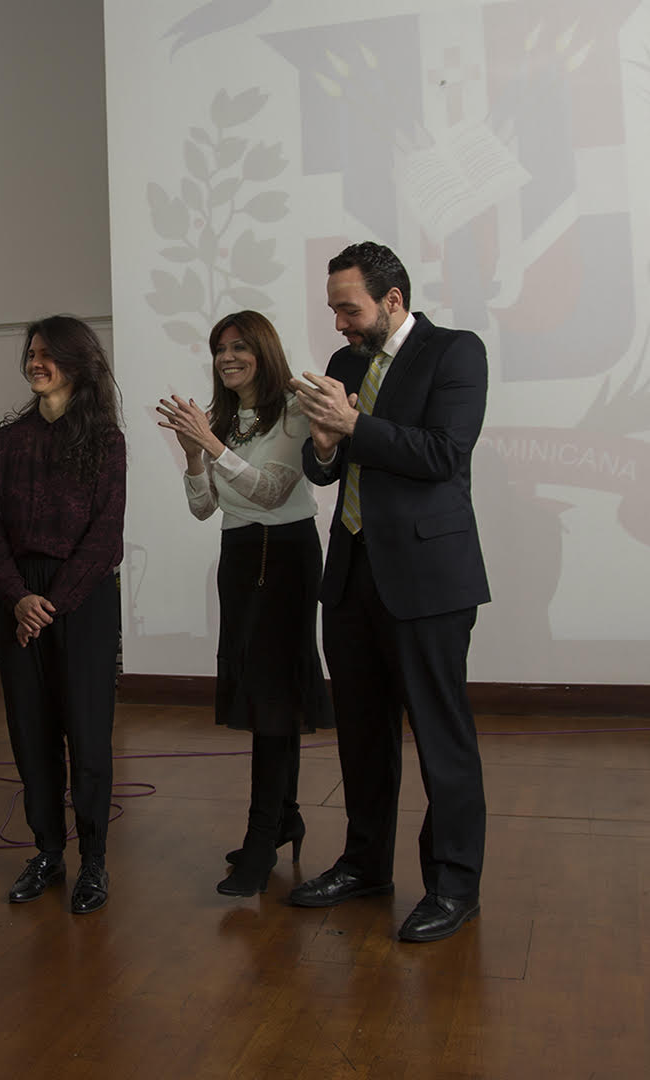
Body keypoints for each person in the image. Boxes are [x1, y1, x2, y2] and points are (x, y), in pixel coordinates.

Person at [291, 241, 489, 943]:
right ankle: (365, 864)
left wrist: (354, 427)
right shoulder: (346, 366)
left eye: (348, 309)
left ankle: (453, 885)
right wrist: (322, 444)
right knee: (362, 735)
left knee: (442, 738)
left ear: (393, 301)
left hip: (429, 581)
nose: (339, 324)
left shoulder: (456, 353)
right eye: (333, 310)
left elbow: (442, 454)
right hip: (350, 576)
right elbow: (328, 472)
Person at [156, 311, 333, 897]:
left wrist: (210, 443)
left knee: (274, 699)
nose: (226, 357)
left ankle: (261, 841)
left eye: (238, 347)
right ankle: (284, 819)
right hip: (238, 558)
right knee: (263, 694)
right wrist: (192, 455)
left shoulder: (293, 409)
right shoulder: (226, 420)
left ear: (262, 350)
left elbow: (271, 490)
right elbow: (206, 509)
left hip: (284, 556)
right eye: (218, 349)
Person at [0, 315, 126, 915]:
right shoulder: (5, 442)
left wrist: (49, 607)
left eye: (48, 354)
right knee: (31, 734)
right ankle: (47, 850)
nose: (36, 362)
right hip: (19, 599)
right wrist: (18, 598)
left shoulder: (105, 440)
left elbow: (106, 538)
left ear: (78, 361)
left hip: (82, 599)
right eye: (32, 353)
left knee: (88, 735)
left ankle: (93, 861)